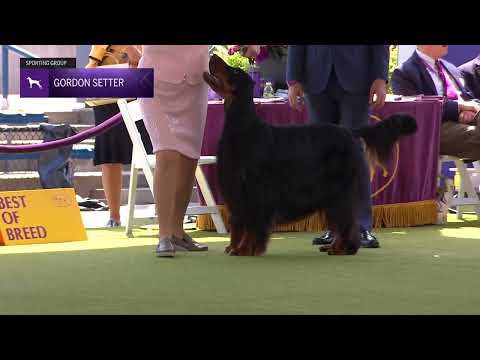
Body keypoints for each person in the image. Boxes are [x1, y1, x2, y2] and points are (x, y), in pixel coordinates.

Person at [137, 45, 260, 257]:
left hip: (194, 83)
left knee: (188, 158)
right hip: (153, 81)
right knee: (166, 153)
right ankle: (164, 235)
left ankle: (177, 231)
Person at [286, 45, 390, 249]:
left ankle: (360, 227)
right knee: (323, 156)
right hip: (315, 80)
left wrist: (380, 77)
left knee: (354, 154)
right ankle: (334, 226)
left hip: (358, 79)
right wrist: (293, 79)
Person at [86, 45, 153, 227]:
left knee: (155, 151)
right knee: (109, 154)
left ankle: (167, 211)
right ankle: (114, 215)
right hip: (107, 82)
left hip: (142, 82)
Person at [391, 45, 480, 160]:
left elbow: (469, 97)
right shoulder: (404, 73)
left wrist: (469, 110)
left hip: (467, 121)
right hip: (434, 128)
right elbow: (417, 110)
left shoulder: (451, 68)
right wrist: (458, 107)